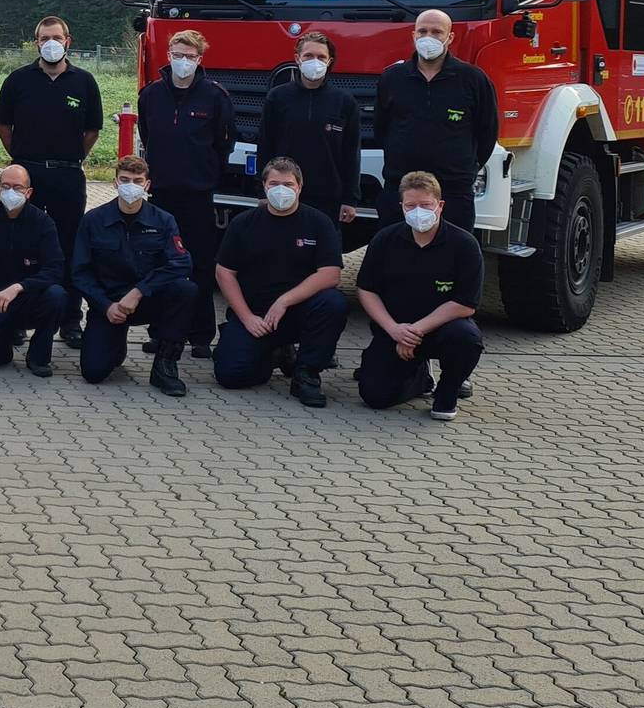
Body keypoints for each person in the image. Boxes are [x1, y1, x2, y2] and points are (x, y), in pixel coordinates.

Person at [0, 15, 103, 347]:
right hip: (27, 176)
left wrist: (68, 159)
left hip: (68, 176)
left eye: (56, 37)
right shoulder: (18, 80)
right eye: (44, 37)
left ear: (68, 41)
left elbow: (92, 131)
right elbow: (4, 127)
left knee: (69, 248)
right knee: (22, 245)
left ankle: (70, 320)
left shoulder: (84, 82)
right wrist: (24, 165)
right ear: (36, 42)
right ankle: (17, 319)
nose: (50, 42)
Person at [210, 157, 348, 408]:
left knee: (334, 302)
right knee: (230, 375)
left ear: (300, 187)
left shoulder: (318, 222)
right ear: (264, 186)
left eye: (288, 184)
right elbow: (224, 273)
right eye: (274, 184)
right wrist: (246, 318)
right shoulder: (244, 223)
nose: (281, 190)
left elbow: (331, 274)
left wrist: (284, 301)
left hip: (300, 313)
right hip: (257, 317)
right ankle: (273, 355)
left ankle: (307, 374)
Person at [356, 170, 486, 420]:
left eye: (426, 205)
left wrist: (416, 330)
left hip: (440, 330)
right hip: (395, 331)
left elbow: (465, 304)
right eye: (411, 205)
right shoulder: (385, 240)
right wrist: (394, 329)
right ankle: (419, 377)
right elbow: (367, 289)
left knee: (466, 338)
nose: (418, 211)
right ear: (402, 207)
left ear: (440, 205)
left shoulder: (464, 245)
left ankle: (447, 392)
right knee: (375, 396)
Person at [135, 28, 233, 358]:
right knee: (159, 262)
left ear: (200, 59)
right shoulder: (151, 95)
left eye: (190, 57)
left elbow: (224, 143)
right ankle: (160, 331)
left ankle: (201, 335)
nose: (183, 62)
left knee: (200, 264)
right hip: (161, 195)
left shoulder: (216, 96)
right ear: (168, 55)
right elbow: (147, 136)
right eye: (178, 55)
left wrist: (206, 174)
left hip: (198, 196)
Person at [72, 154, 197, 396]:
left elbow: (182, 263)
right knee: (94, 373)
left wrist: (140, 291)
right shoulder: (93, 220)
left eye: (137, 181)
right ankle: (114, 344)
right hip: (110, 304)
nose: (131, 186)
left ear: (147, 185)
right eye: (125, 179)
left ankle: (165, 365)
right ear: (115, 183)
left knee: (186, 289)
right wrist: (106, 305)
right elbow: (80, 273)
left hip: (149, 298)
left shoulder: (163, 220)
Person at [375, 10, 497, 235]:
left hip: (454, 190)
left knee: (454, 257)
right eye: (422, 31)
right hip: (400, 188)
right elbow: (381, 128)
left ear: (450, 38)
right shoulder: (392, 79)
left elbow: (487, 132)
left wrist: (465, 170)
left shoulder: (473, 80)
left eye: (436, 32)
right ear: (413, 35)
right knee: (395, 255)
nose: (428, 37)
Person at [0, 165, 70, 377]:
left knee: (57, 295)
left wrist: (19, 287)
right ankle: (3, 349)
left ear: (29, 192)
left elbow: (55, 269)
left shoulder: (43, 223)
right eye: (5, 186)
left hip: (29, 301)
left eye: (17, 187)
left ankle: (38, 357)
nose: (11, 192)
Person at [256, 31, 361, 229]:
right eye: (308, 56)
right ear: (298, 58)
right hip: (283, 193)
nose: (315, 61)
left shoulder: (344, 102)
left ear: (329, 61)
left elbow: (351, 153)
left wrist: (351, 198)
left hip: (328, 198)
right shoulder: (277, 98)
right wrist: (262, 193)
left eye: (321, 57)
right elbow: (265, 145)